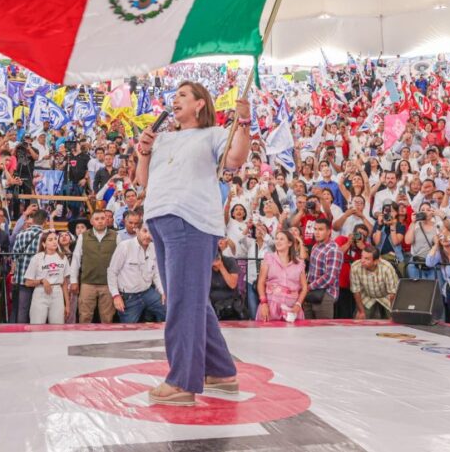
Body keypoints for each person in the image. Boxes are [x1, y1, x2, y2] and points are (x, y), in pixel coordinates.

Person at [136, 81, 249, 406]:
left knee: (183, 302)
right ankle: (221, 372)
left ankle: (182, 381)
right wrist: (144, 152)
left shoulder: (212, 134)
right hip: (159, 217)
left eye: (183, 95)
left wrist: (243, 122)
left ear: (200, 103)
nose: (175, 101)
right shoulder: (164, 139)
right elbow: (144, 181)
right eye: (174, 97)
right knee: (189, 299)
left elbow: (235, 158)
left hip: (190, 219)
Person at [107, 221, 165, 323]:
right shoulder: (124, 246)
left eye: (151, 232)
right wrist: (116, 296)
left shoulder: (154, 248)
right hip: (129, 297)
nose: (148, 235)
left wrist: (163, 292)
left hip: (148, 293)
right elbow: (112, 272)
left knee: (169, 310)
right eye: (145, 231)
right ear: (137, 230)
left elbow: (156, 274)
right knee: (128, 331)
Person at [69, 209, 119, 324]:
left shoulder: (116, 236)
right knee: (84, 316)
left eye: (102, 218)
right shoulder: (83, 237)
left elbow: (120, 261)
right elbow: (76, 259)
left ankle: (106, 342)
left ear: (106, 220)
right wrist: (73, 281)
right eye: (97, 219)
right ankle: (84, 341)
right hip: (87, 283)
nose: (100, 221)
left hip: (108, 284)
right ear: (92, 221)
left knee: (107, 318)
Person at [256, 231, 308, 322]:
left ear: (290, 243)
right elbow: (261, 282)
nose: (278, 241)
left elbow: (304, 287)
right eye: (276, 239)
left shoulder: (299, 264)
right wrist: (263, 303)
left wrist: (298, 304)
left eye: (281, 239)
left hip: (292, 309)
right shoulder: (269, 258)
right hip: (270, 307)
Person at [25, 231, 70, 324]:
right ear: (43, 244)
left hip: (58, 293)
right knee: (37, 326)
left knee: (58, 328)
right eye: (50, 240)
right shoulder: (37, 258)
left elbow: (65, 283)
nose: (54, 242)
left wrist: (67, 304)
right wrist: (42, 281)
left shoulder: (63, 258)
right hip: (40, 292)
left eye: (55, 239)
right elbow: (27, 282)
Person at [11, 208, 47, 323]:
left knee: (23, 309)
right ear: (45, 221)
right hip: (41, 279)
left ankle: (21, 335)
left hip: (23, 277)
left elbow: (14, 256)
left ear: (33, 220)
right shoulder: (46, 236)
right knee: (39, 310)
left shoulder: (21, 234)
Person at [305, 218, 344, 319]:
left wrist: (308, 287)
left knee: (324, 331)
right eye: (315, 229)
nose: (317, 232)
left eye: (321, 229)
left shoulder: (333, 250)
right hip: (311, 292)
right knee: (307, 330)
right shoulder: (315, 246)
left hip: (326, 294)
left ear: (329, 231)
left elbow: (329, 277)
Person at [350, 246, 400, 320]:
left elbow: (393, 293)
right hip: (367, 296)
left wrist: (393, 313)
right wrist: (361, 312)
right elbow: (356, 291)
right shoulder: (355, 267)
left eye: (366, 259)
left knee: (394, 320)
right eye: (362, 257)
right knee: (359, 320)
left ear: (376, 261)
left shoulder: (387, 268)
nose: (362, 261)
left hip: (386, 296)